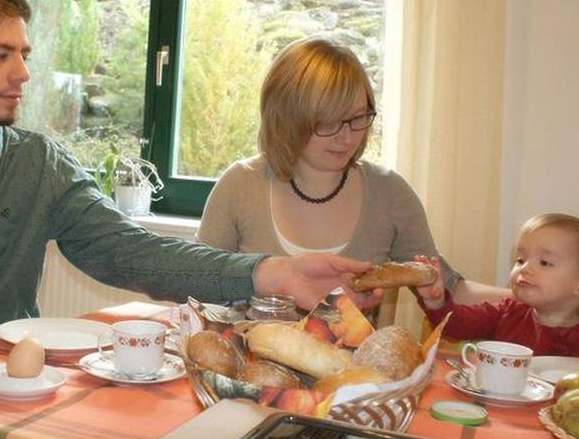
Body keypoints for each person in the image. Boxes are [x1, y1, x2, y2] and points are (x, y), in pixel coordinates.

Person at [0, 0, 371, 372]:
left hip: (7, 394)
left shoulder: (41, 165)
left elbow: (133, 253)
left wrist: (273, 272)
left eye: (23, 53)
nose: (23, 73)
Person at [197, 36, 509, 308]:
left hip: (356, 361)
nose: (346, 137)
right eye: (328, 123)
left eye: (358, 118)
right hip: (247, 357)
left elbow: (451, 288)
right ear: (287, 119)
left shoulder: (390, 193)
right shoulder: (240, 186)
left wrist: (524, 298)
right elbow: (197, 285)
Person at [414, 213, 579, 368]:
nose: (524, 268)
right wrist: (436, 300)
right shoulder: (505, 313)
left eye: (545, 263)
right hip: (501, 417)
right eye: (520, 259)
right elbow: (456, 324)